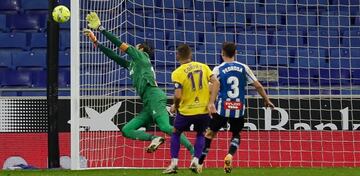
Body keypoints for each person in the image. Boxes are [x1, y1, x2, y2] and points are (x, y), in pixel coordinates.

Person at [83, 12, 194, 155]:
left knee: (166, 127)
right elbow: (113, 55)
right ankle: (155, 139)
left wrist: (101, 28)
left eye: (136, 47)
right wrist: (96, 42)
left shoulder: (142, 56)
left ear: (141, 49)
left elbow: (119, 44)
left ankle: (193, 149)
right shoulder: (133, 65)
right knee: (126, 130)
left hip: (154, 96)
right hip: (147, 102)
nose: (133, 48)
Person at [198, 42, 275, 173]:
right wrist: (266, 100)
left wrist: (208, 102)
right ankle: (230, 155)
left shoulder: (218, 69)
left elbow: (211, 88)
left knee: (210, 134)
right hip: (239, 108)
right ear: (235, 53)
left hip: (222, 108)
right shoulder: (243, 67)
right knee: (236, 134)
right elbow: (258, 86)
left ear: (222, 53)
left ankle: (200, 163)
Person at [163, 44, 220, 174]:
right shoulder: (204, 67)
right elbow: (216, 82)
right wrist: (211, 103)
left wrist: (175, 106)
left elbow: (178, 94)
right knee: (201, 134)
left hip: (186, 111)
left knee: (176, 133)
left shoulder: (177, 72)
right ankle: (195, 161)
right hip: (203, 110)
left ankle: (174, 164)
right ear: (191, 55)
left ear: (177, 56)